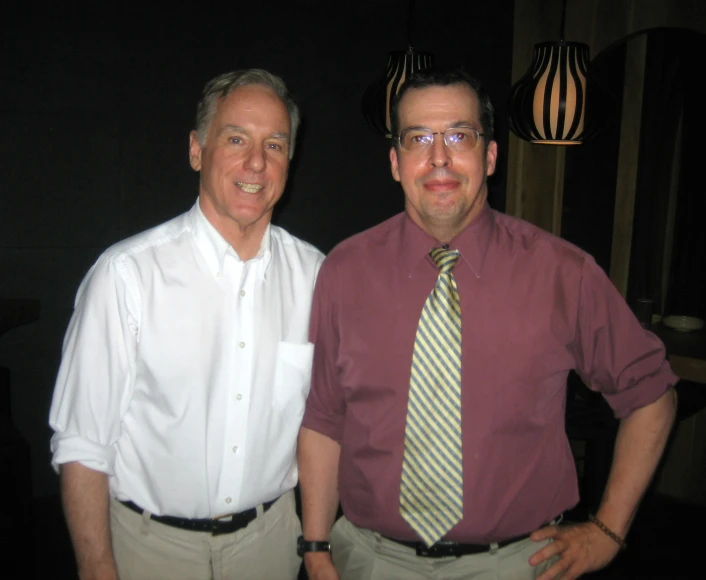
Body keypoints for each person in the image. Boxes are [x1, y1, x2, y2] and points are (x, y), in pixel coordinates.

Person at [297, 67, 678, 580]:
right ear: (394, 162)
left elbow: (651, 393)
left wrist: (607, 530)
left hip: (516, 564)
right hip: (369, 560)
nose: (438, 157)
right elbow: (324, 416)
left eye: (459, 135)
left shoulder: (562, 272)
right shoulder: (343, 271)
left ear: (490, 156)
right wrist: (317, 546)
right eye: (418, 138)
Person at [48, 68, 324, 580]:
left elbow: (332, 423)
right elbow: (83, 444)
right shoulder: (127, 275)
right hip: (148, 550)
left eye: (276, 144)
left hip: (270, 547)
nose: (256, 163)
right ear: (197, 150)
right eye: (236, 138)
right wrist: (96, 568)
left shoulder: (318, 277)